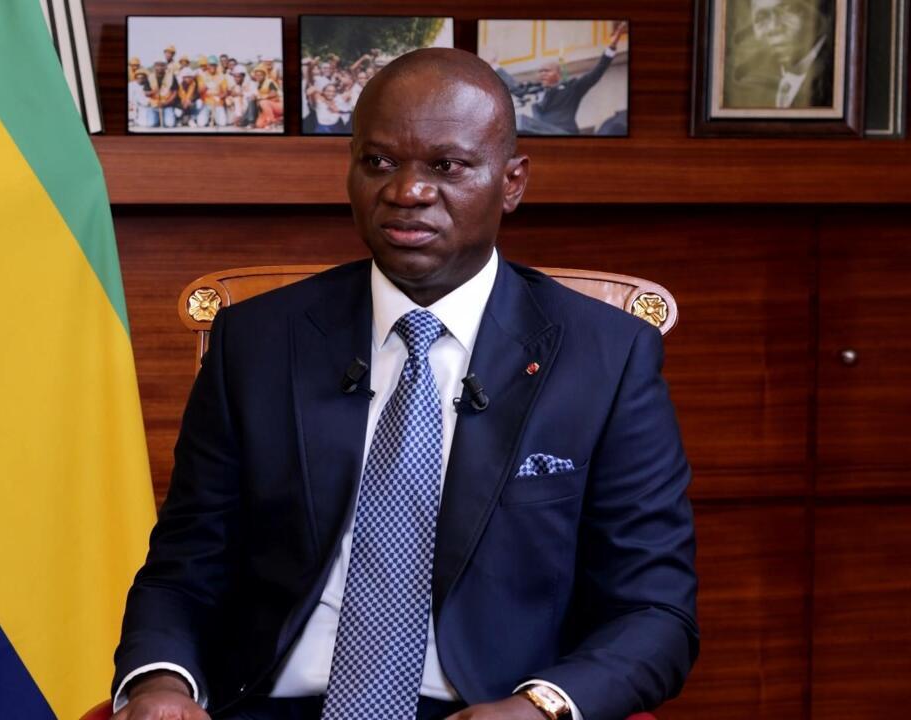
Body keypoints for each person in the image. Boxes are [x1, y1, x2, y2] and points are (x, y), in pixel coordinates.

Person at [111, 47, 697, 720]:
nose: (407, 192)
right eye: (380, 162)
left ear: (511, 182)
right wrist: (161, 682)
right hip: (273, 703)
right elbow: (185, 566)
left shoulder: (606, 357)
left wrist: (540, 707)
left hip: (492, 708)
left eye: (447, 167)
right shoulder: (259, 342)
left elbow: (655, 612)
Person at [492, 23, 627, 135]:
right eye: (540, 71)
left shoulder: (572, 88)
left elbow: (596, 73)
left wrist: (612, 46)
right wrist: (495, 66)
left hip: (563, 133)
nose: (542, 74)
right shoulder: (534, 90)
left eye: (547, 71)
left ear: (558, 74)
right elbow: (514, 87)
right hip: (538, 134)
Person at [726, 0, 835, 108]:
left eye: (788, 10)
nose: (773, 27)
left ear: (814, 15)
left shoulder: (834, 81)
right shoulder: (754, 86)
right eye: (761, 17)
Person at [252, 64, 282, 130]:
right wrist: (255, 97)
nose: (258, 77)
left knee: (263, 102)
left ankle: (272, 122)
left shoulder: (269, 81)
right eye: (256, 75)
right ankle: (279, 119)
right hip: (268, 109)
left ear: (264, 75)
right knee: (259, 125)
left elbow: (274, 93)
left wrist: (262, 97)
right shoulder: (258, 84)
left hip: (278, 105)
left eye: (260, 75)